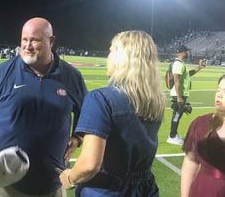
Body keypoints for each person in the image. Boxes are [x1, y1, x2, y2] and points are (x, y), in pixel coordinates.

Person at [0, 17, 88, 196]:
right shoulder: (2, 73)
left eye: (35, 40)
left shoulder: (71, 76)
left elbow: (87, 114)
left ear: (51, 41)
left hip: (51, 181)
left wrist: (77, 138)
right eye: (24, 39)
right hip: (2, 181)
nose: (27, 45)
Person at [58, 30, 165, 196]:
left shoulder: (100, 99)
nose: (108, 56)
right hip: (145, 188)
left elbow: (90, 164)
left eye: (111, 50)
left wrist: (69, 178)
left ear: (121, 57)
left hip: (107, 189)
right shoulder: (155, 100)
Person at [167, 45, 205, 145]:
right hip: (179, 94)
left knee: (178, 115)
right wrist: (179, 97)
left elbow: (187, 75)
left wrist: (199, 68)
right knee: (177, 115)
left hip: (180, 93)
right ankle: (172, 136)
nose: (188, 53)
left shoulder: (180, 64)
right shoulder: (178, 64)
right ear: (181, 52)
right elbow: (177, 80)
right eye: (186, 51)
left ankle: (174, 134)